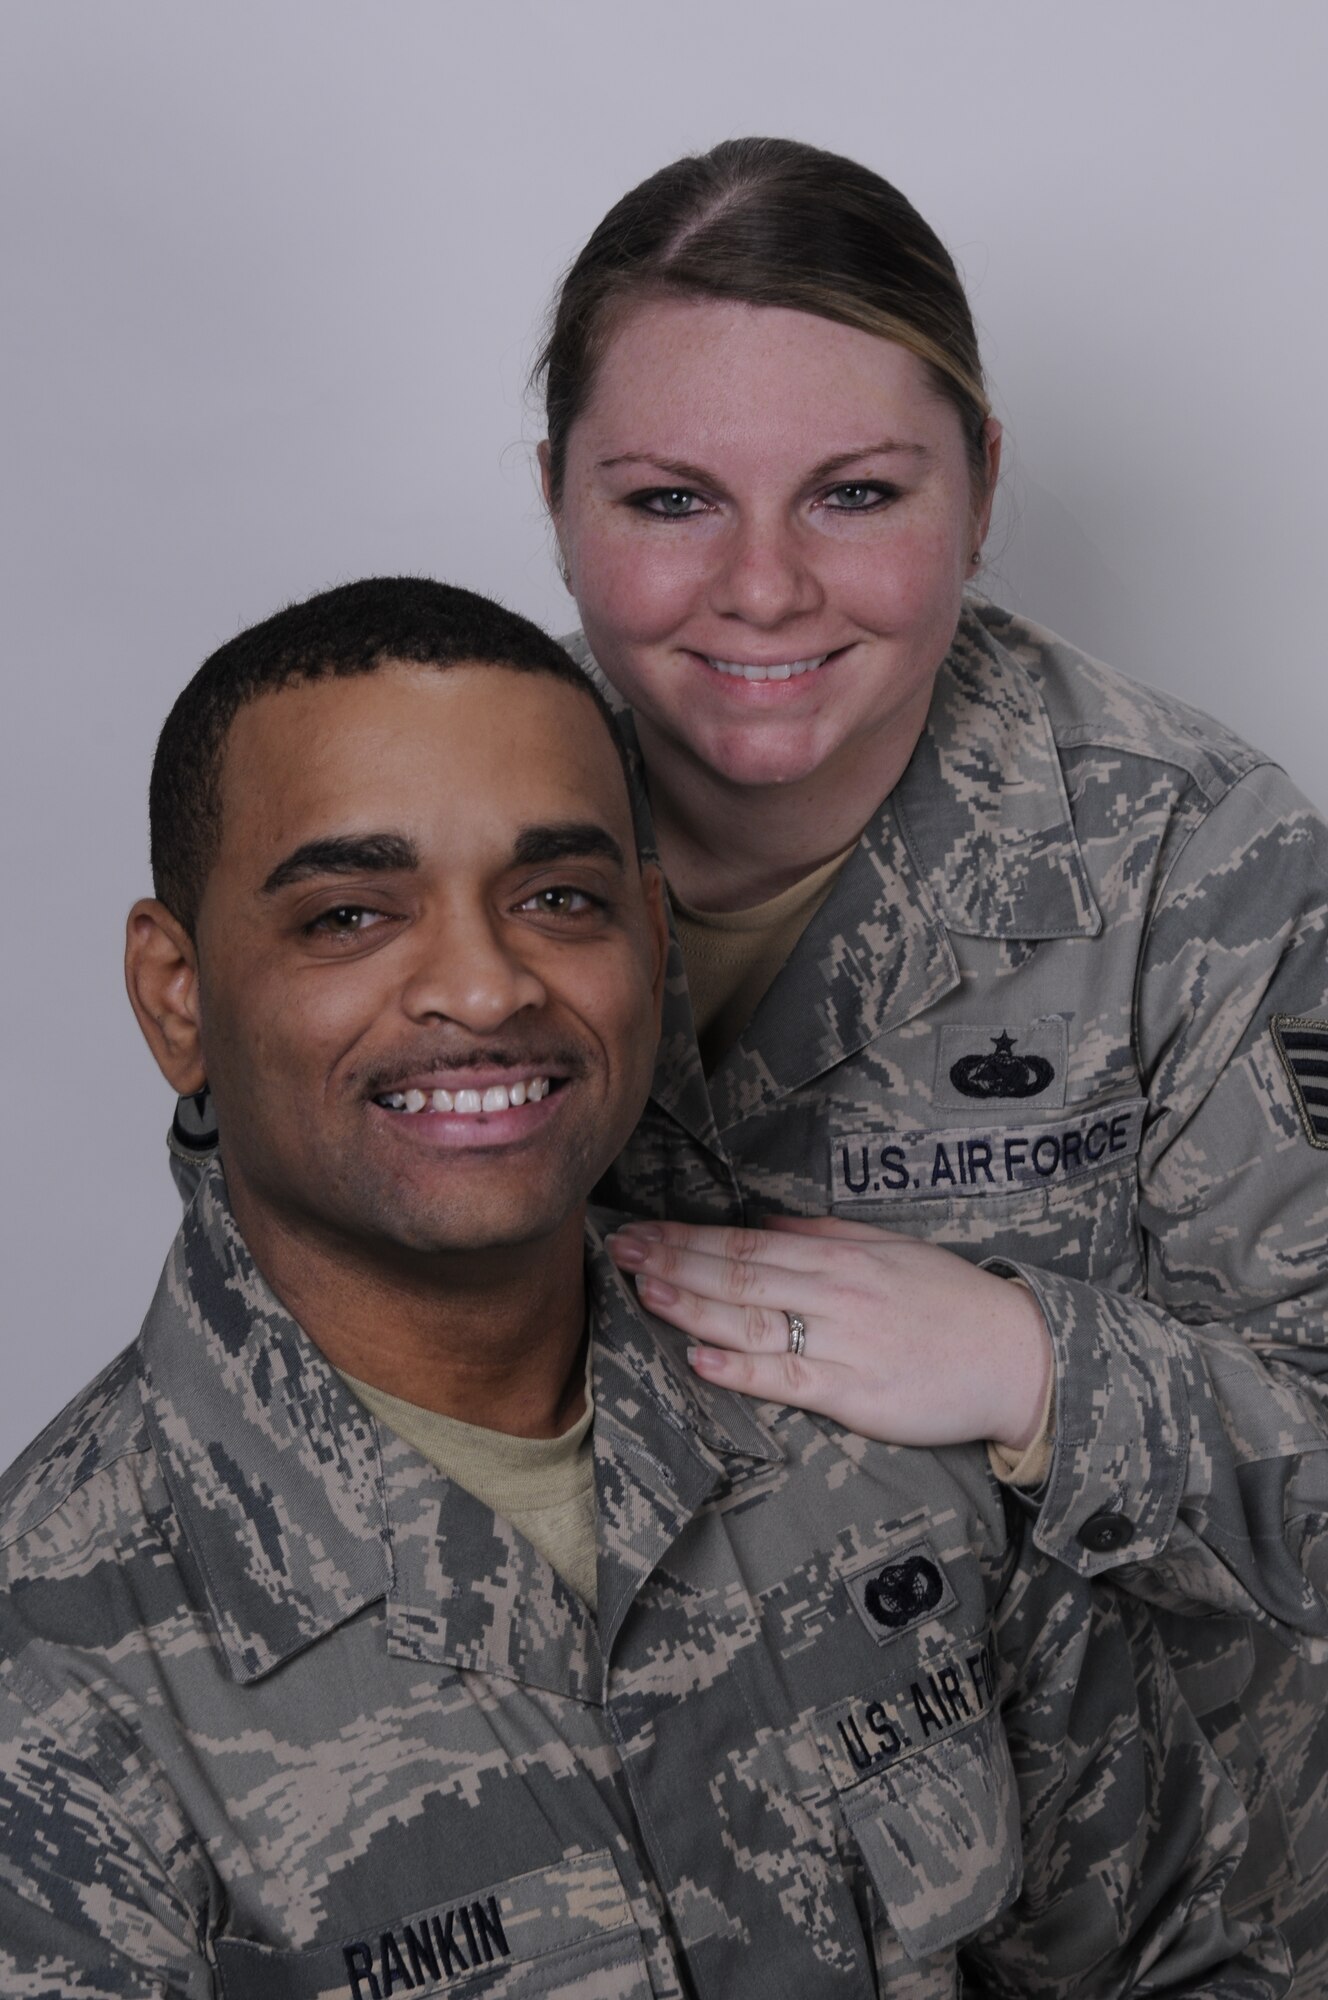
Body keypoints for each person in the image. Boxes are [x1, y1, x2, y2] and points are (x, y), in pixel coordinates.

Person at [0, 577, 1289, 1996]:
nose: (485, 988)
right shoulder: (53, 1684)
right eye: (353, 916)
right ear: (178, 994)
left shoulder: (869, 1424)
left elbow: (1173, 1951)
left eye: (559, 897)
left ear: (651, 942)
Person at [522, 137, 1328, 1983]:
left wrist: (1026, 1366)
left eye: (856, 492)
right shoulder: (441, 817)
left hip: (1147, 1930)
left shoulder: (1192, 861)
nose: (763, 590)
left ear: (978, 494)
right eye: (666, 501)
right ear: (557, 499)